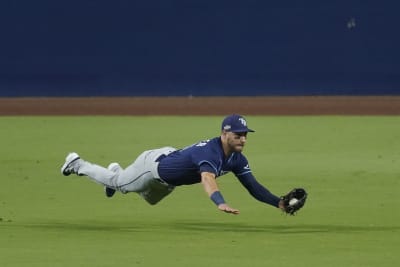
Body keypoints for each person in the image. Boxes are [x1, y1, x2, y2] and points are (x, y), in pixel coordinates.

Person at [61, 114, 286, 215]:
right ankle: (77, 163)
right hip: (152, 167)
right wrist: (220, 202)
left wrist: (279, 203)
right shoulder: (211, 152)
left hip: (168, 176)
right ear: (224, 134)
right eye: (238, 135)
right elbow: (207, 178)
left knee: (150, 201)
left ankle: (119, 173)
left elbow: (253, 187)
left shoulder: (238, 159)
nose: (243, 139)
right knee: (121, 185)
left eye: (245, 134)